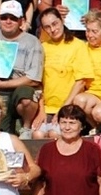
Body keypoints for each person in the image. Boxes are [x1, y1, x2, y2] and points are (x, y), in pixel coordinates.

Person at [0, 0, 44, 134]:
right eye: (4, 17)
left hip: (18, 91)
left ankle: (26, 128)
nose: (8, 21)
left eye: (13, 18)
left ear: (21, 21)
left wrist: (1, 84)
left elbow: (34, 79)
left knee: (27, 97)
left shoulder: (32, 42)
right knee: (3, 132)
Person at [33, 7, 93, 138]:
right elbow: (38, 83)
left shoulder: (78, 46)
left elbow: (81, 81)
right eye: (47, 27)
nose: (53, 30)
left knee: (55, 134)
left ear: (62, 20)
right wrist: (41, 110)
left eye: (55, 24)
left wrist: (62, 109)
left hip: (68, 108)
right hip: (47, 108)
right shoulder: (43, 47)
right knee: (37, 135)